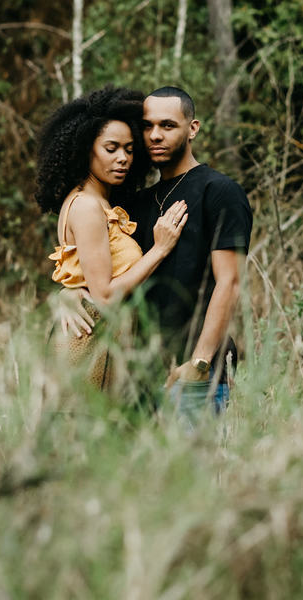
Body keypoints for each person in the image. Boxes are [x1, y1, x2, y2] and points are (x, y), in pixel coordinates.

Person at [35, 86, 190, 391]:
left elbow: (87, 279)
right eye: (111, 148)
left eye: (130, 150)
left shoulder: (102, 203)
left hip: (102, 341)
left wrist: (71, 291)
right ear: (85, 150)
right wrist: (159, 250)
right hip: (89, 344)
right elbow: (104, 295)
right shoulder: (88, 206)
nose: (123, 159)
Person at [132, 87, 252, 417]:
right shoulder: (137, 202)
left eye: (168, 125)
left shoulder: (220, 191)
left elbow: (229, 283)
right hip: (139, 374)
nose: (155, 135)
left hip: (196, 377)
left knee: (196, 469)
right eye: (147, 126)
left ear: (192, 128)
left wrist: (198, 364)